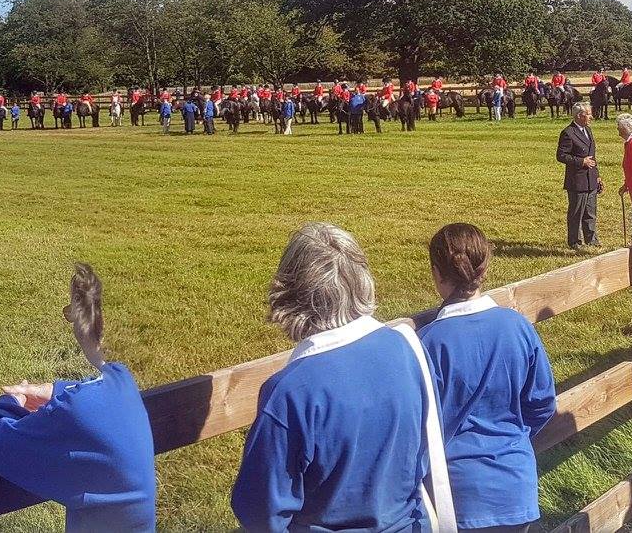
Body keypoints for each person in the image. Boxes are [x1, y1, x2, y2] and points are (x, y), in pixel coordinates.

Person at [232, 222, 455, 533]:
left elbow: (260, 513)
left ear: (290, 291)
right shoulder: (406, 348)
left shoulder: (290, 392)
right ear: (362, 280)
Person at [0, 264, 158, 531]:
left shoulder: (74, 413)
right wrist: (58, 391)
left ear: (78, 317)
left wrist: (11, 403)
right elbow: (94, 394)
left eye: (69, 312)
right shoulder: (124, 381)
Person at [419, 224, 555, 533]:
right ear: (486, 267)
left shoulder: (427, 343)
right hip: (515, 487)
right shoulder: (517, 326)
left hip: (455, 495)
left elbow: (415, 427)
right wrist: (513, 437)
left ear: (437, 274)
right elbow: (543, 403)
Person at [557, 103, 601, 249]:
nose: (591, 117)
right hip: (577, 180)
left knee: (590, 211)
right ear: (579, 116)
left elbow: (592, 156)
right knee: (577, 212)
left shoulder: (588, 130)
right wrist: (581, 161)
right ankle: (575, 241)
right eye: (588, 114)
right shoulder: (568, 133)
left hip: (591, 179)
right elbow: (561, 156)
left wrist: (597, 176)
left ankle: (591, 239)